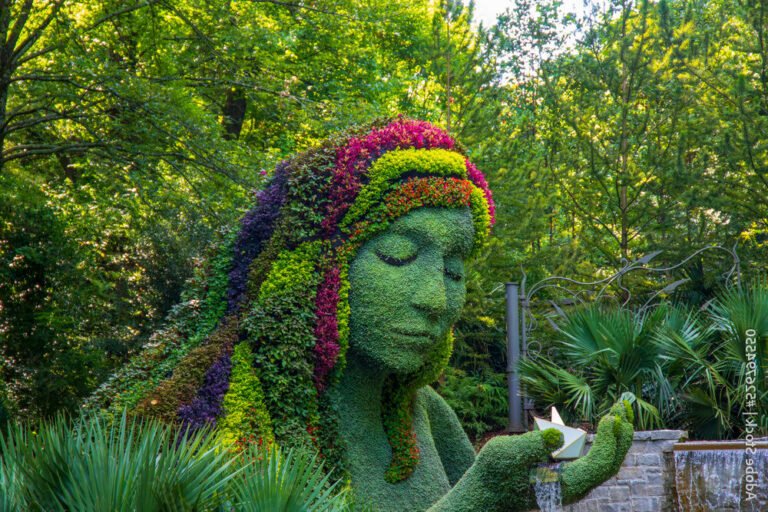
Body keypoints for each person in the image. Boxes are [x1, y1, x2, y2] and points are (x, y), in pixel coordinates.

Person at [88, 118, 632, 511]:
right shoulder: (223, 418)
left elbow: (490, 499)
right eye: (398, 254)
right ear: (317, 267)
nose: (436, 300)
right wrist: (481, 493)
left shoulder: (428, 416)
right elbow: (475, 497)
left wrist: (556, 487)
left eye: (453, 269)